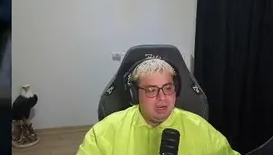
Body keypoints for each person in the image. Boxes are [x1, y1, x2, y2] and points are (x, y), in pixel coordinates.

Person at [78, 57, 239, 155]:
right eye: (151, 90)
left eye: (168, 88)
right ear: (135, 94)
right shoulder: (104, 132)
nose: (162, 98)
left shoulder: (201, 129)